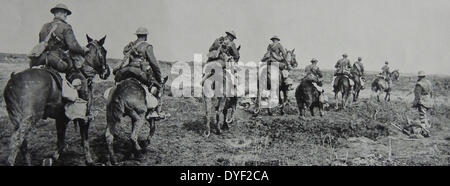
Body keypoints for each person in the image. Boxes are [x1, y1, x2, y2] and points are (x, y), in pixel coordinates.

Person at [34, 3, 90, 102]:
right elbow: (73, 46)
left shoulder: (44, 26)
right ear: (62, 13)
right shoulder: (66, 27)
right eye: (65, 14)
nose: (66, 16)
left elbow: (41, 43)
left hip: (41, 59)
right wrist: (83, 49)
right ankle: (81, 107)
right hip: (57, 60)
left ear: (55, 13)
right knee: (81, 79)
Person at [113, 27, 164, 119]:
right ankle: (153, 112)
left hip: (126, 71)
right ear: (145, 36)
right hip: (139, 72)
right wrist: (159, 77)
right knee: (157, 87)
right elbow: (154, 63)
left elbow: (125, 54)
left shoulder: (130, 45)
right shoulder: (147, 46)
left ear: (137, 35)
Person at [411, 71, 433, 137]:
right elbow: (431, 93)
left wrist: (414, 104)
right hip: (429, 101)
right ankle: (427, 130)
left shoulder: (419, 84)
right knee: (427, 117)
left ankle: (424, 132)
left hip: (422, 101)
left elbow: (417, 95)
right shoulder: (429, 82)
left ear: (419, 76)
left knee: (422, 117)